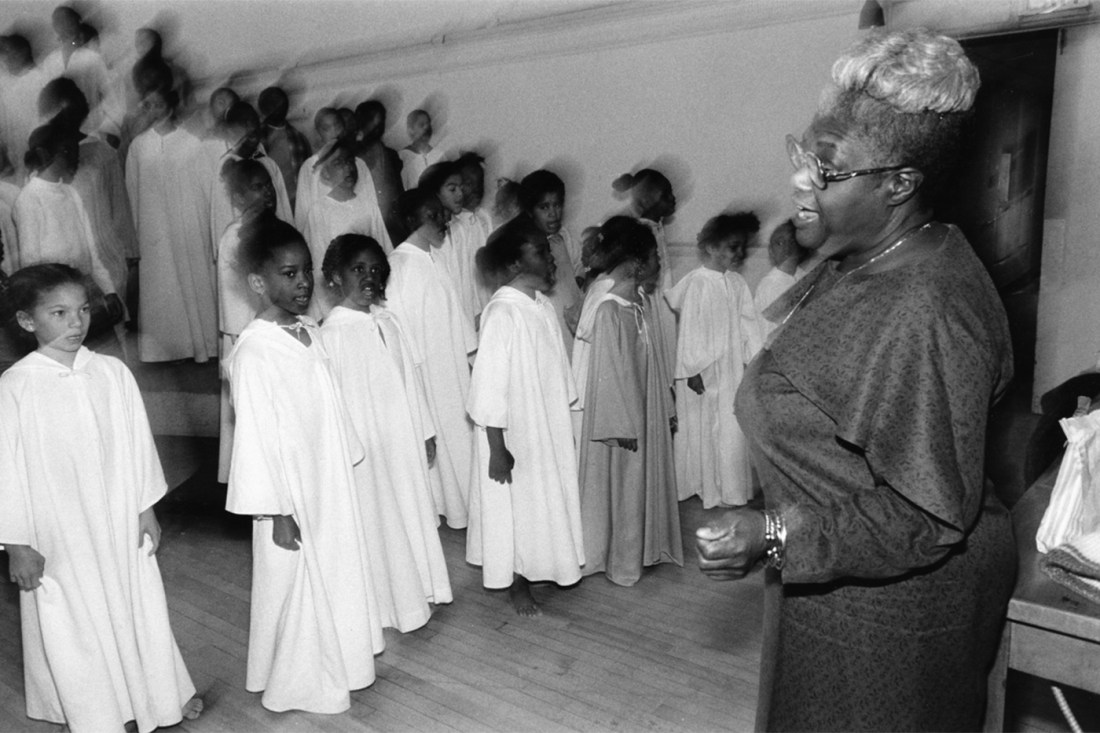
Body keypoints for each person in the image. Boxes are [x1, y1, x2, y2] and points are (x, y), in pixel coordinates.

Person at [696, 28, 1016, 731]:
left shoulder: (923, 307)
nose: (801, 180)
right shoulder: (869, 256)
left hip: (892, 618)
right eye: (805, 156)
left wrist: (774, 535)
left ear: (900, 183)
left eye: (828, 170)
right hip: (841, 584)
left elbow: (927, 515)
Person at [0, 263, 202, 731]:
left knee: (137, 604)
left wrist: (145, 506)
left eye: (84, 310)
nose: (77, 323)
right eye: (60, 313)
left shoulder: (110, 372)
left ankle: (156, 695)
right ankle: (91, 714)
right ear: (27, 321)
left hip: (116, 517)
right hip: (56, 531)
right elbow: (5, 470)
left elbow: (137, 443)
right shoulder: (15, 388)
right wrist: (16, 543)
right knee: (70, 620)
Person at [225, 215, 383, 714]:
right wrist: (276, 511)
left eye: (306, 272)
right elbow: (253, 437)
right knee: (294, 581)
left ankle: (345, 658)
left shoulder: (310, 331)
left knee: (335, 567)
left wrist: (346, 459)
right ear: (258, 283)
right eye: (288, 274)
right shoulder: (253, 351)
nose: (302, 284)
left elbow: (331, 403)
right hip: (288, 491)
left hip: (327, 477)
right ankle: (297, 680)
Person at [321, 234, 453, 629]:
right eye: (358, 269)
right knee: (382, 524)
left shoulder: (390, 322)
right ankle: (392, 606)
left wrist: (426, 431)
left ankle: (424, 588)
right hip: (369, 455)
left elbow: (413, 381)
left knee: (412, 512)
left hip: (403, 442)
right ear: (333, 278)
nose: (369, 277)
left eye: (377, 270)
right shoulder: (332, 336)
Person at [466, 216, 585, 615]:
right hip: (513, 435)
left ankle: (543, 563)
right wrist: (497, 448)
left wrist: (563, 424)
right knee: (515, 506)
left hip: (543, 425)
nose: (552, 259)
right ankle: (516, 580)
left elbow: (557, 369)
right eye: (541, 252)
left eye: (550, 251)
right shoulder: (502, 313)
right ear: (516, 264)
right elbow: (488, 388)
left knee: (543, 501)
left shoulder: (542, 306)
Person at [578, 216, 681, 587]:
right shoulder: (608, 311)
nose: (660, 264)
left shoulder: (636, 303)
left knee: (634, 486)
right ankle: (620, 561)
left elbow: (651, 360)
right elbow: (604, 373)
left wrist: (664, 404)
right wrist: (621, 425)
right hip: (622, 420)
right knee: (622, 487)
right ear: (638, 263)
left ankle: (641, 546)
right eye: (655, 257)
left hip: (642, 408)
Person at [386, 187, 478, 529]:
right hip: (426, 370)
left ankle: (466, 506)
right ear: (412, 221)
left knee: (460, 434)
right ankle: (446, 507)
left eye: (443, 213)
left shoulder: (436, 257)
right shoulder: (399, 265)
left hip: (451, 364)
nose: (444, 220)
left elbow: (455, 311)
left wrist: (469, 355)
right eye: (433, 215)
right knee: (441, 439)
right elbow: (397, 327)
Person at [665, 212, 763, 508]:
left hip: (731, 370)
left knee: (730, 429)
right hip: (704, 372)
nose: (739, 254)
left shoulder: (735, 283)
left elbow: (748, 324)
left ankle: (730, 489)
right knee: (706, 428)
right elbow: (691, 330)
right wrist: (693, 370)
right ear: (711, 247)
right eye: (733, 247)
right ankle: (706, 487)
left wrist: (753, 359)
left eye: (742, 247)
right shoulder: (699, 283)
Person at [126, 85, 218, 363]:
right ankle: (161, 351)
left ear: (168, 105)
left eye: (155, 103)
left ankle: (198, 347)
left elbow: (206, 189)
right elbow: (132, 190)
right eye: (147, 104)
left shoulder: (191, 143)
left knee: (192, 282)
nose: (150, 109)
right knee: (159, 287)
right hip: (152, 232)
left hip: (187, 227)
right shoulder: (139, 145)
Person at [39, 76, 137, 305]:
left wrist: (131, 258)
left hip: (106, 261)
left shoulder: (102, 153)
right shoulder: (43, 157)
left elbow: (120, 210)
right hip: (61, 267)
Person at [303, 141, 391, 318]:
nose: (348, 168)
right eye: (339, 163)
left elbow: (384, 252)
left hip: (368, 291)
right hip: (338, 297)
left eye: (350, 161)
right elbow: (319, 261)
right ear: (326, 173)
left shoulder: (368, 206)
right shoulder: (319, 210)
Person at [520, 169, 583, 357]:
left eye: (557, 205)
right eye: (544, 207)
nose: (553, 213)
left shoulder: (565, 237)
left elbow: (578, 270)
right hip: (546, 331)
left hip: (572, 322)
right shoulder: (527, 248)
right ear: (530, 211)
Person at [293, 107, 377, 234]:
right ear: (318, 133)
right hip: (324, 233)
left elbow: (370, 201)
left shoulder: (358, 163)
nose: (334, 132)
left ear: (344, 127)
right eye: (326, 129)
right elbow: (302, 213)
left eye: (337, 126)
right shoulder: (309, 167)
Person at [353, 99, 405, 245]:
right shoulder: (350, 156)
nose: (377, 126)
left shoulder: (391, 155)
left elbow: (398, 193)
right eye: (372, 120)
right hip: (364, 228)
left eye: (380, 121)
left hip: (391, 227)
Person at [0, 34, 48, 180]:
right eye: (4, 53)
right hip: (14, 154)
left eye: (11, 52)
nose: (7, 57)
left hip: (38, 151)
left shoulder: (39, 78)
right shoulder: (5, 82)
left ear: (22, 52)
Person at [258, 86, 311, 214]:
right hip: (268, 208)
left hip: (296, 207)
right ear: (262, 108)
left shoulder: (298, 138)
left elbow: (308, 174)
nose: (277, 107)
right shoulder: (256, 138)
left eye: (281, 102)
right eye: (271, 103)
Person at [754, 218, 809, 341]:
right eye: (778, 243)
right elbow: (768, 331)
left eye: (791, 242)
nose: (786, 248)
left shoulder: (805, 278)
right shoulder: (770, 285)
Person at [398, 108, 443, 191]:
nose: (426, 128)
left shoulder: (440, 156)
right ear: (411, 130)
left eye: (428, 125)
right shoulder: (402, 157)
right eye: (421, 125)